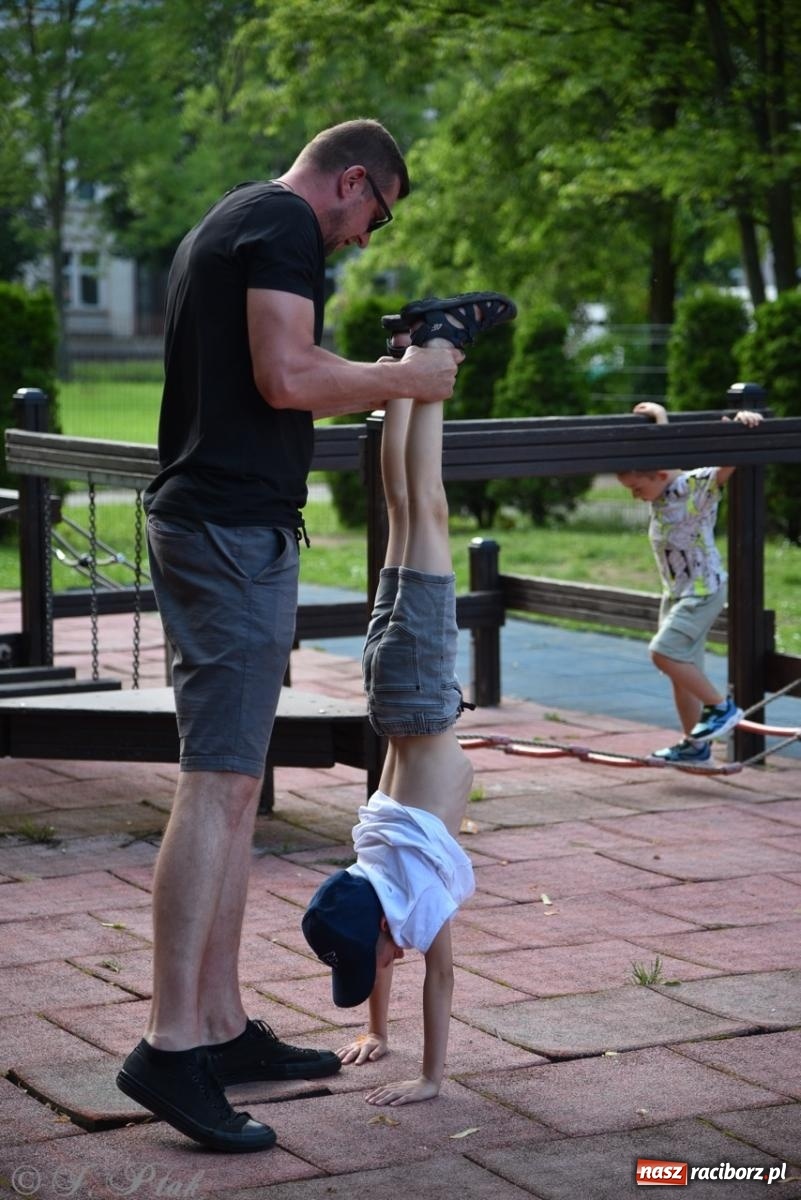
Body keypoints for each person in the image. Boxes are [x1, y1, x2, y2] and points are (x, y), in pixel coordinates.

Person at [116, 119, 466, 1154]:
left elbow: (286, 368)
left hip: (226, 529)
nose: (362, 238)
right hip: (228, 533)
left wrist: (378, 372)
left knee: (231, 784)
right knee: (217, 783)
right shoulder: (281, 226)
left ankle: (220, 1026)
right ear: (354, 181)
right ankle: (172, 1045)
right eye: (375, 216)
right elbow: (288, 376)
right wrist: (409, 380)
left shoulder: (237, 217)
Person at [302, 293, 516, 1106]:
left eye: (373, 959)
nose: (382, 965)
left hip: (421, 692)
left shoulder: (415, 900)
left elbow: (440, 976)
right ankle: (403, 355)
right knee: (399, 508)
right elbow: (387, 951)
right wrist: (375, 1032)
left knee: (425, 505)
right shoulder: (371, 873)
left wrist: (429, 1078)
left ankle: (437, 347)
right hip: (387, 691)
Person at [616, 400, 764, 767]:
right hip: (677, 593)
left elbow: (727, 464)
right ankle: (694, 747)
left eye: (636, 489)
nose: (635, 496)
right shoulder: (661, 484)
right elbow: (663, 453)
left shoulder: (692, 486)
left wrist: (741, 425)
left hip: (702, 591)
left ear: (659, 475)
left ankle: (721, 707)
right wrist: (660, 417)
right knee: (680, 672)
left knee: (663, 652)